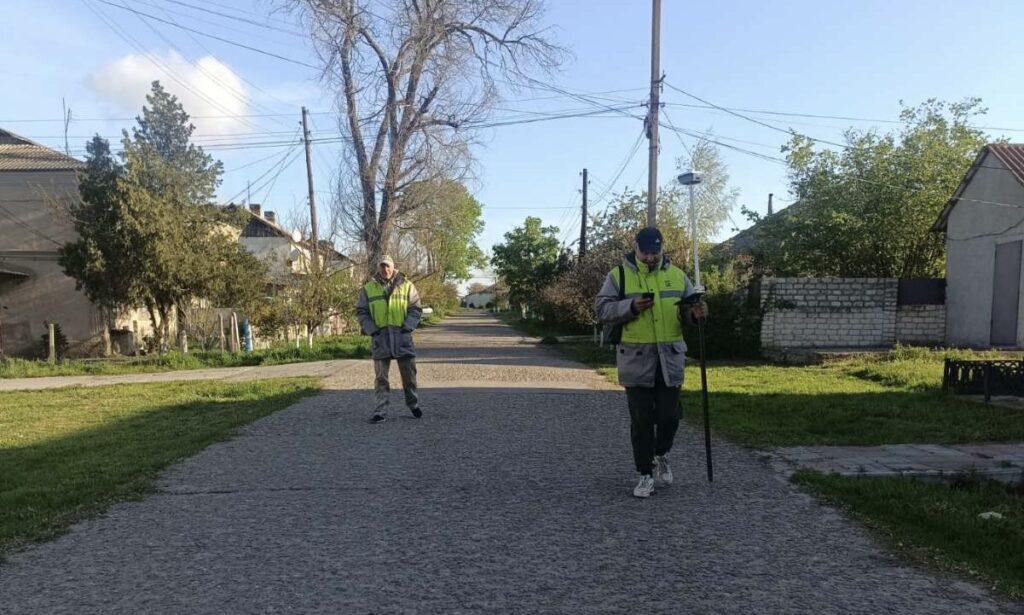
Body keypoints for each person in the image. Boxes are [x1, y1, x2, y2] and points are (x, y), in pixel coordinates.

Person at [594, 227, 708, 498]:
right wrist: (630, 307)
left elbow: (688, 312)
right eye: (645, 252)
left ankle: (661, 453)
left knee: (669, 417)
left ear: (661, 249)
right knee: (642, 421)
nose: (649, 258)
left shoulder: (677, 276)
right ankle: (645, 473)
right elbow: (601, 309)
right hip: (636, 358)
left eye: (654, 252)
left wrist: (698, 314)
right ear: (635, 247)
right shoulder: (618, 276)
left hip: (670, 359)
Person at [356, 255, 423, 423]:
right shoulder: (368, 288)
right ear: (378, 268)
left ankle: (413, 404)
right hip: (381, 337)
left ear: (393, 267)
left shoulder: (407, 286)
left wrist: (407, 328)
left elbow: (415, 309)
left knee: (409, 375)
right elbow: (362, 312)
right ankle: (380, 410)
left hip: (402, 336)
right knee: (381, 378)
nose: (385, 270)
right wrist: (372, 330)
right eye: (382, 266)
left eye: (388, 266)